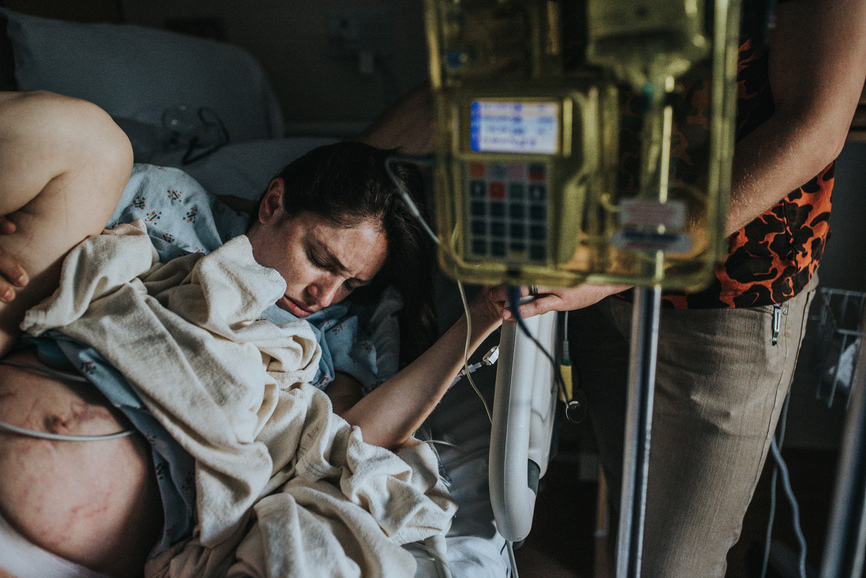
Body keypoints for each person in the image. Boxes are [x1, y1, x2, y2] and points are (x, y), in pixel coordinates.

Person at [359, 0, 866, 574]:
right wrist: (332, 176)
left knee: (672, 562)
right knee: (630, 513)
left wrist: (616, 260)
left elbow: (815, 126)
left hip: (722, 297)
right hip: (593, 276)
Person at [0, 90, 504, 577]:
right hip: (43, 348)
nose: (324, 295)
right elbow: (56, 209)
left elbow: (350, 440)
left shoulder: (342, 332)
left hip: (74, 542)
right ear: (273, 204)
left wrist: (484, 314)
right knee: (91, 137)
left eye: (351, 283)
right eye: (320, 260)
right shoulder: (174, 210)